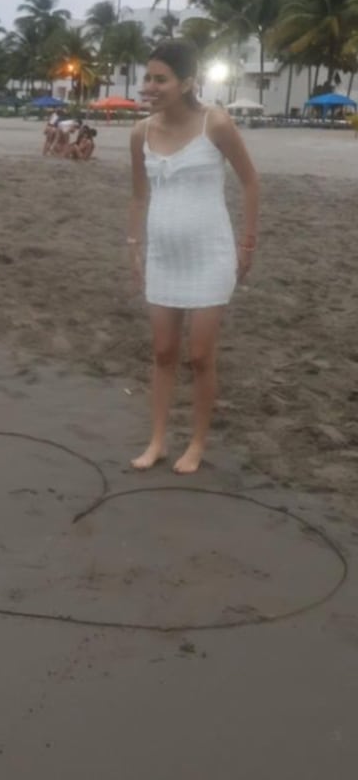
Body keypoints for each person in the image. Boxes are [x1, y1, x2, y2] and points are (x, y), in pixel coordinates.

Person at [126, 40, 259, 474]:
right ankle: (158, 440)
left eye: (159, 79)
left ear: (186, 83)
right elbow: (139, 193)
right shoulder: (140, 133)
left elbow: (251, 182)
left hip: (211, 256)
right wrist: (134, 246)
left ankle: (197, 443)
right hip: (163, 256)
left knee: (200, 355)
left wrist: (247, 244)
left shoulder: (215, 124)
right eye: (147, 77)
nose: (149, 86)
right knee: (163, 351)